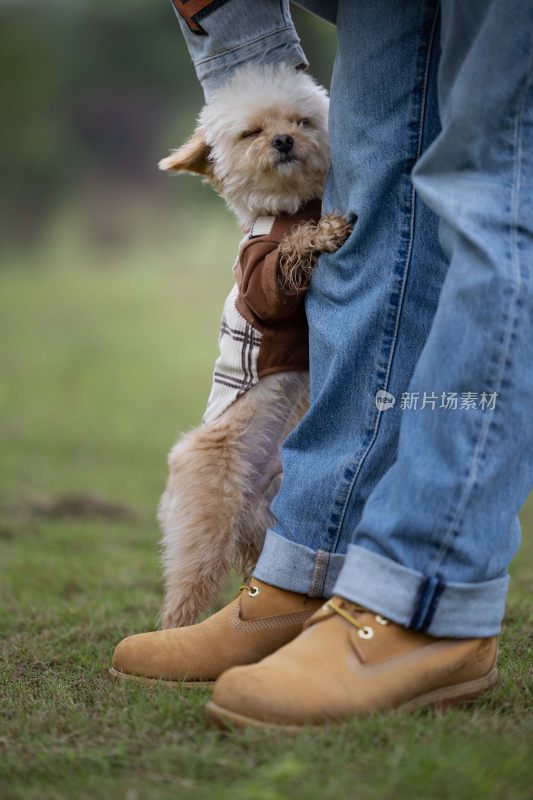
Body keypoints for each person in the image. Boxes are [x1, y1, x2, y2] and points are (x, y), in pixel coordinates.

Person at [112, 0, 532, 727]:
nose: (285, 137)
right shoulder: (265, 233)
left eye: (299, 124)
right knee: (371, 196)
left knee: (492, 186)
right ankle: (313, 573)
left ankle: (428, 596)